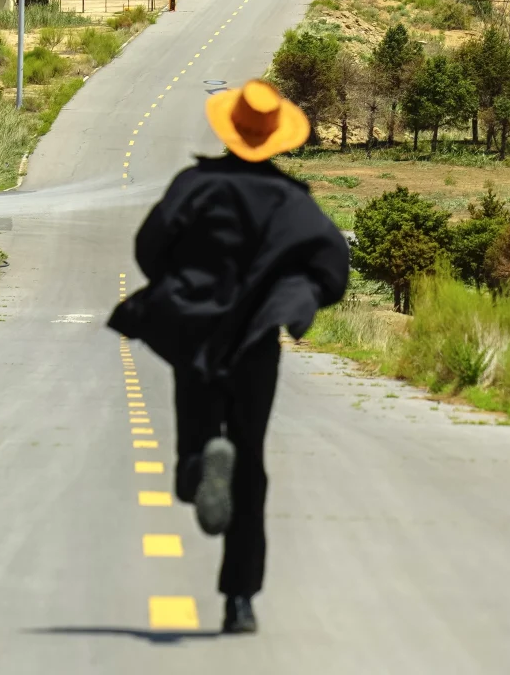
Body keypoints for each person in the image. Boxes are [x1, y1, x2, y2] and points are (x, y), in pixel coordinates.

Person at [109, 79, 350, 635]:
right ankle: (239, 600)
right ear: (275, 139)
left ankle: (196, 467)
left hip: (196, 331)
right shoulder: (293, 202)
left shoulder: (195, 186)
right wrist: (293, 299)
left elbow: (149, 248)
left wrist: (183, 284)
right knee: (251, 465)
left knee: (197, 428)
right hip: (255, 341)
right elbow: (331, 267)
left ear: (229, 129)